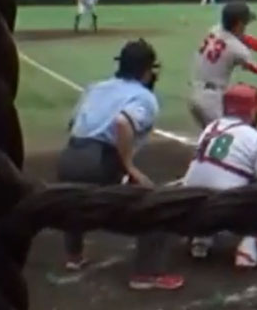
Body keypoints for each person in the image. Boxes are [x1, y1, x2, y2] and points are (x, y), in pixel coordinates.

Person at [56, 39, 185, 291]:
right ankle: (146, 274)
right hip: (98, 161)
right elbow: (123, 123)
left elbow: (73, 124)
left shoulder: (95, 87)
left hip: (69, 156)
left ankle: (74, 256)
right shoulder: (144, 97)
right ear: (148, 70)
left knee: (74, 200)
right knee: (154, 204)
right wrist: (128, 166)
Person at [182, 83, 257, 268]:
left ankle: (202, 240)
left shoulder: (210, 128)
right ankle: (251, 251)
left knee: (215, 173)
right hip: (226, 213)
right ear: (253, 111)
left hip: (189, 212)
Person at [188, 0, 257, 129]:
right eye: (245, 22)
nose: (246, 25)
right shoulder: (236, 48)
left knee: (212, 138)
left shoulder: (215, 30)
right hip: (211, 100)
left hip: (195, 94)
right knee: (228, 135)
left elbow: (247, 39)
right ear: (238, 24)